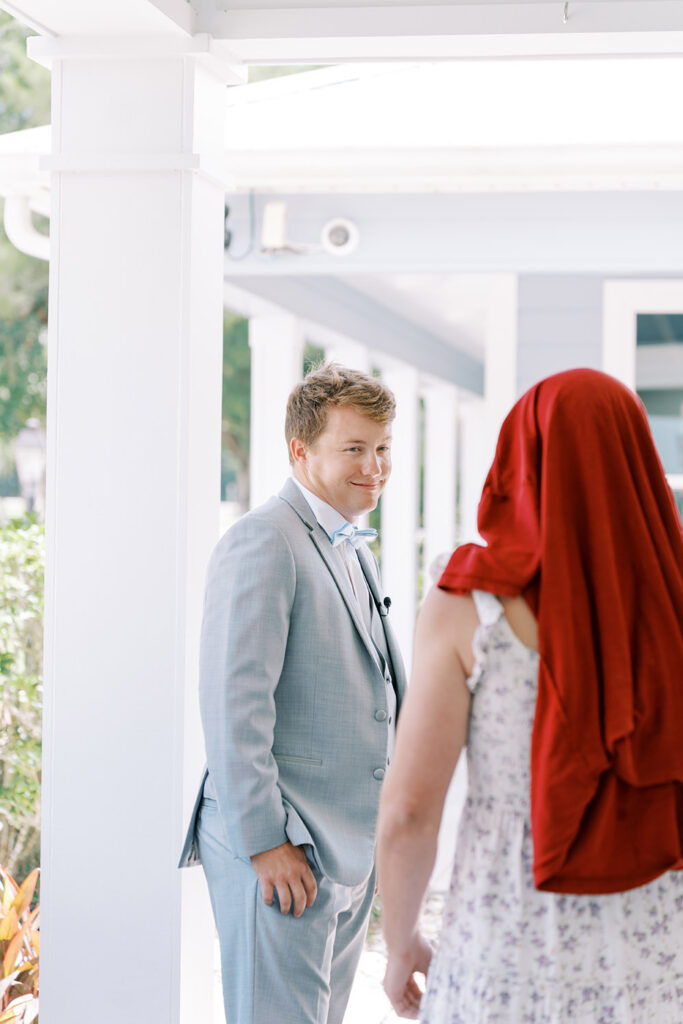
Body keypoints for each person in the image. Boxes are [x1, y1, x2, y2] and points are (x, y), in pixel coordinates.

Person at [377, 368, 683, 1022]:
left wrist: (399, 944)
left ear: (520, 459)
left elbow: (408, 810)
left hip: (506, 941)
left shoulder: (471, 603)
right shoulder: (672, 596)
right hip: (655, 951)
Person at [179, 362, 406, 1024]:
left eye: (382, 447)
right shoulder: (263, 540)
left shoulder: (351, 546)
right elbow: (233, 703)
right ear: (299, 451)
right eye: (354, 448)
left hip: (343, 848)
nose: (375, 465)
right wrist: (264, 841)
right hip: (282, 845)